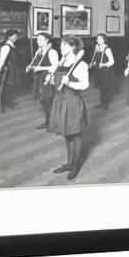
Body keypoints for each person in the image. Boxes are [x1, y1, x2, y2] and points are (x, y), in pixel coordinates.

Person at [48, 36, 90, 181]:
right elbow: (58, 78)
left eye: (65, 46)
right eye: (61, 45)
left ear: (73, 47)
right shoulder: (62, 61)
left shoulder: (80, 64)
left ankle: (76, 165)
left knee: (75, 134)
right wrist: (52, 78)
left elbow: (85, 85)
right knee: (67, 133)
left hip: (72, 102)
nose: (61, 48)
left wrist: (70, 82)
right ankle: (69, 163)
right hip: (59, 100)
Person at [26, 33, 58, 130]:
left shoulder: (52, 52)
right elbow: (35, 64)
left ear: (47, 40)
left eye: (40, 39)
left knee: (48, 101)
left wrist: (41, 67)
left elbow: (56, 66)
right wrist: (29, 67)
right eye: (37, 39)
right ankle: (48, 122)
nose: (37, 41)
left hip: (47, 78)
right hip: (39, 79)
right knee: (43, 101)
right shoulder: (38, 52)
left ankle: (52, 123)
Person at [0, 29, 20, 111]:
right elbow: (2, 59)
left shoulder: (12, 45)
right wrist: (0, 69)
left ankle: (10, 101)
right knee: (8, 85)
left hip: (14, 68)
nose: (17, 38)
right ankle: (7, 102)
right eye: (15, 36)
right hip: (9, 69)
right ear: (9, 37)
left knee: (12, 85)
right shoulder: (6, 47)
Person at [89, 33, 115, 110]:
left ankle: (105, 104)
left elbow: (112, 61)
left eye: (100, 39)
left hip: (105, 71)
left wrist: (103, 64)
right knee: (101, 87)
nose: (98, 40)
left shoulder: (107, 49)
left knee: (105, 88)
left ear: (104, 40)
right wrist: (93, 64)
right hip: (98, 71)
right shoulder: (97, 48)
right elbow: (96, 59)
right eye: (97, 39)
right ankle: (102, 103)